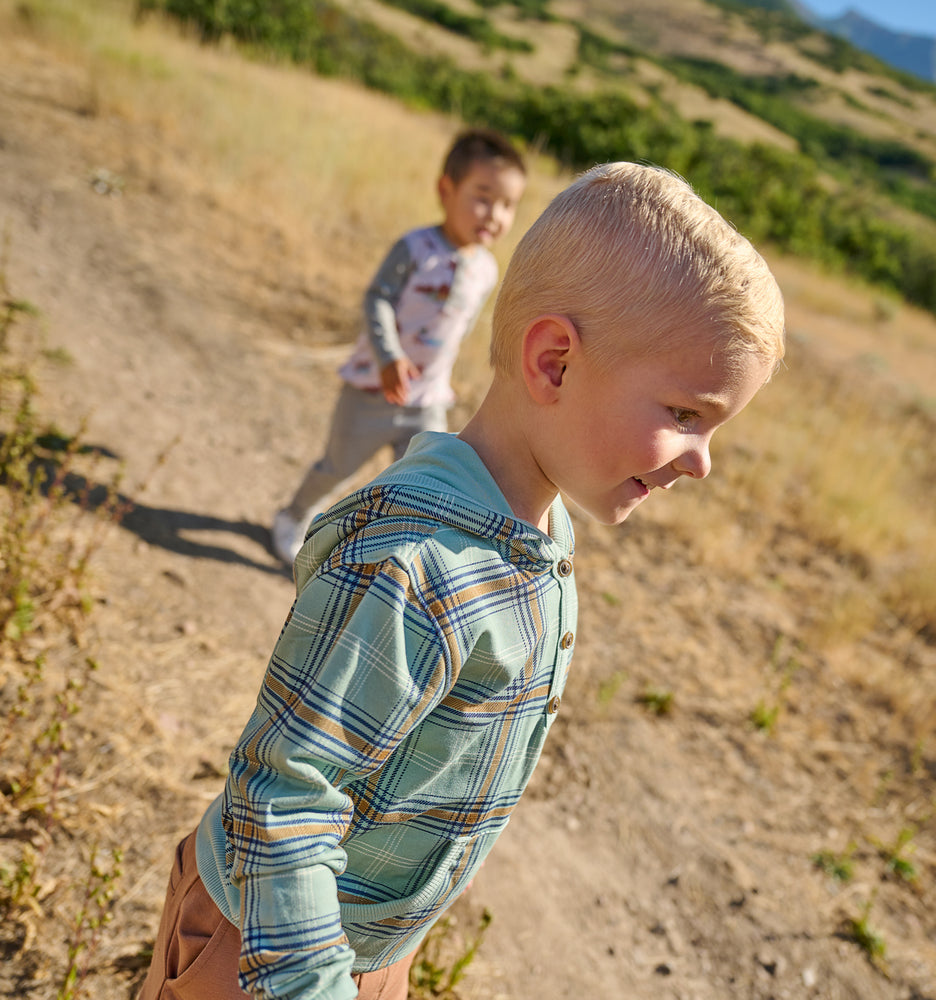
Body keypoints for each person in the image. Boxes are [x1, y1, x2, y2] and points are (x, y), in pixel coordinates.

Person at [139, 161, 785, 1000]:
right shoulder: (412, 563)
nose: (702, 463)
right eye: (686, 415)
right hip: (264, 953)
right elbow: (287, 793)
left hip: (368, 946)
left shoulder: (536, 524)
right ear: (553, 362)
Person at [271, 128, 528, 566]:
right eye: (483, 197)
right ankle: (292, 517)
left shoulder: (485, 268)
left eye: (507, 205)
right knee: (337, 467)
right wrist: (390, 357)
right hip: (372, 390)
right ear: (446, 190)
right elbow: (378, 300)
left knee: (424, 483)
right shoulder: (416, 248)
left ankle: (388, 557)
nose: (494, 214)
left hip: (425, 401)